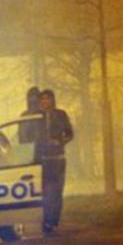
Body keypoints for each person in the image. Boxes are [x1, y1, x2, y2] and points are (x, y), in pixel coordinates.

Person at [36, 90, 73, 236]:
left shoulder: (61, 114)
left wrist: (60, 142)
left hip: (58, 158)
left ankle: (54, 222)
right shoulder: (36, 117)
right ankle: (46, 223)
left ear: (52, 100)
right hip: (42, 160)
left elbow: (70, 134)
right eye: (42, 99)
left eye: (48, 98)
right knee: (45, 193)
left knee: (57, 192)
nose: (45, 101)